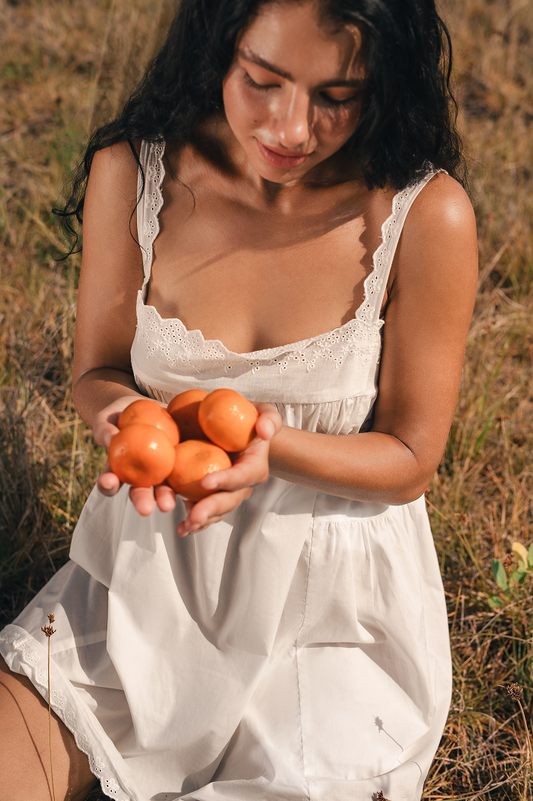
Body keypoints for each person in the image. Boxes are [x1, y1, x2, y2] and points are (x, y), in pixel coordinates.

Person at [0, 0, 478, 799]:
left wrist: (268, 448)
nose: (291, 128)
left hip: (329, 621)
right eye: (262, 80)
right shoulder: (136, 170)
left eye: (337, 96)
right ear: (219, 49)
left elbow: (408, 459)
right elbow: (98, 369)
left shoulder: (424, 213)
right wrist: (124, 418)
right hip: (144, 578)